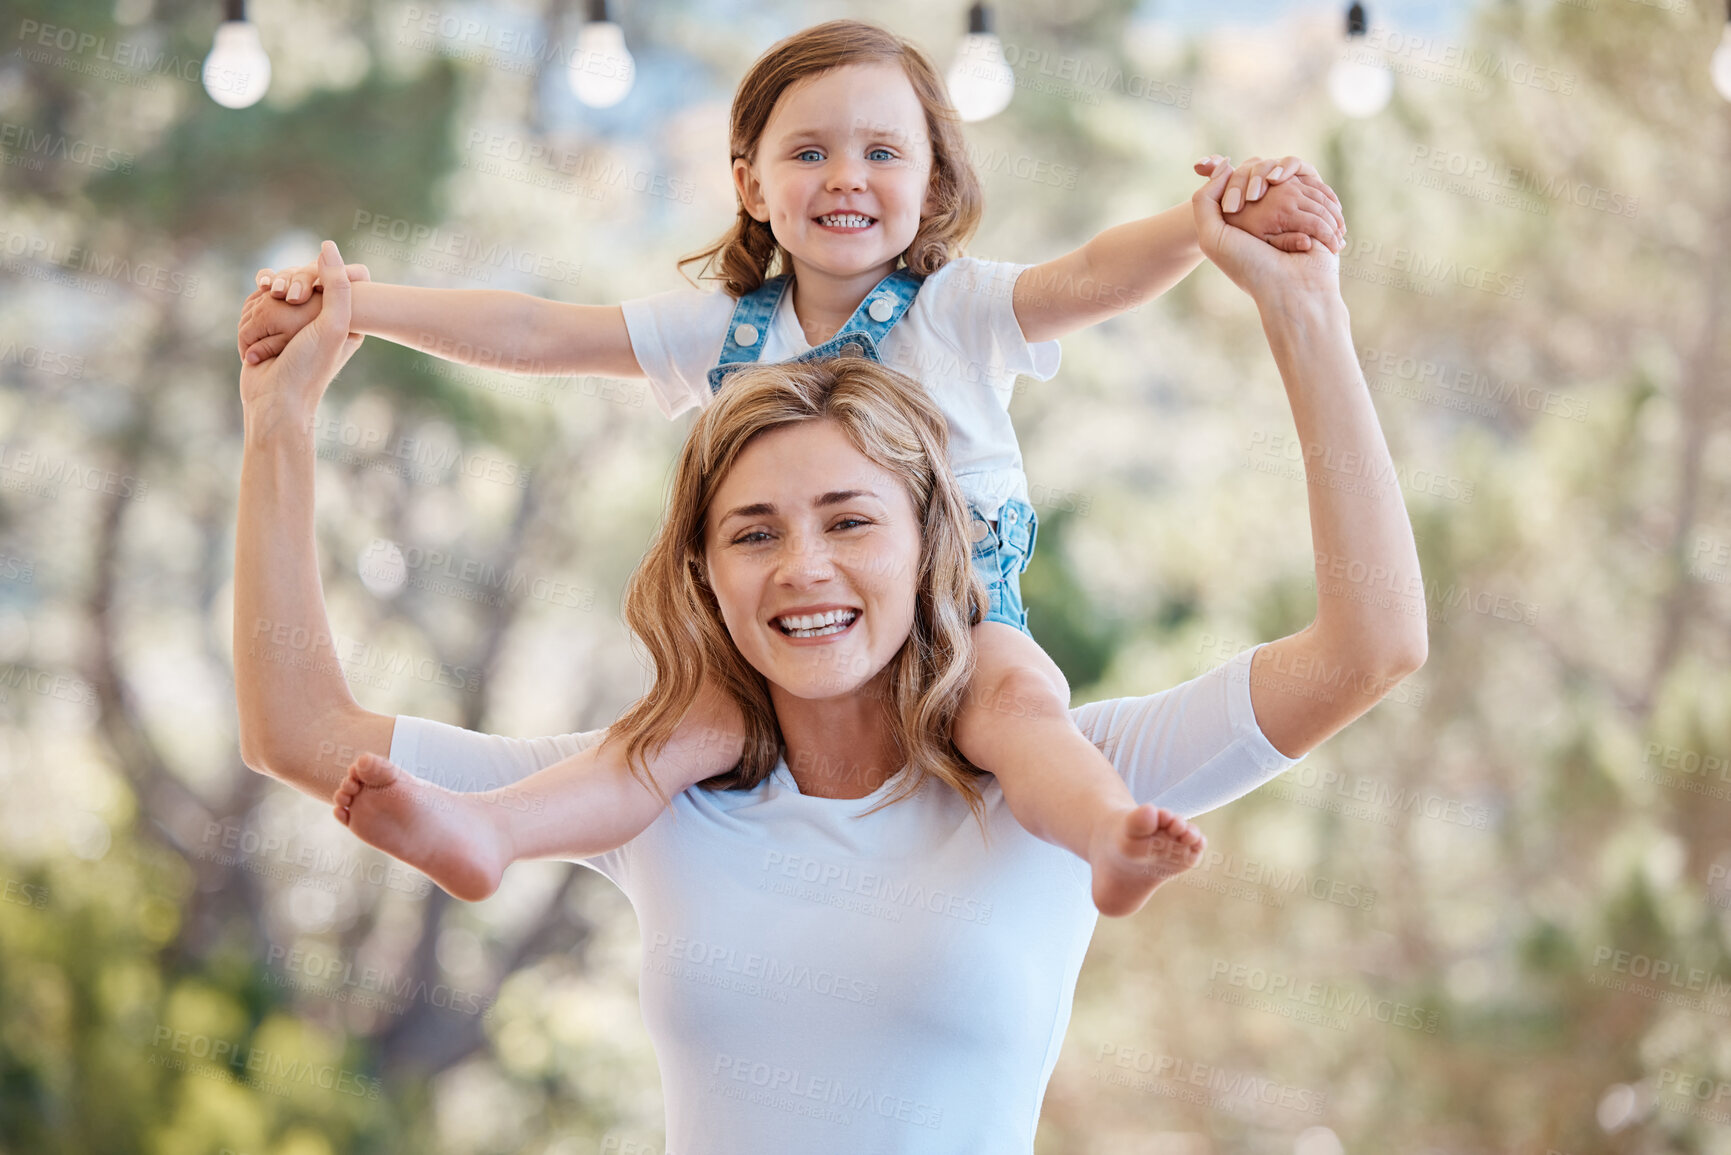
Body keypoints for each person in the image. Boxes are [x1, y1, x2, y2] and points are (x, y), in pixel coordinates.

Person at [232, 157, 1425, 1151]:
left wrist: (1301, 306)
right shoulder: (653, 789)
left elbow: (1369, 649)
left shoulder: (1062, 772)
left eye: (851, 522)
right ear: (706, 573)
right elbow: (298, 732)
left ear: (929, 551)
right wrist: (278, 425)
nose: (803, 568)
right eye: (754, 533)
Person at [236, 19, 1349, 916]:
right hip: (786, 638)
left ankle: (1105, 837)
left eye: (881, 152)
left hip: (968, 613)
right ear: (752, 184)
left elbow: (1097, 270)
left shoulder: (959, 310)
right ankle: (495, 829)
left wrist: (1204, 222)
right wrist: (361, 307)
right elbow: (533, 330)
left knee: (1017, 707)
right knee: (675, 736)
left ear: (932, 182)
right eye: (807, 152)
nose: (844, 177)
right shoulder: (725, 327)